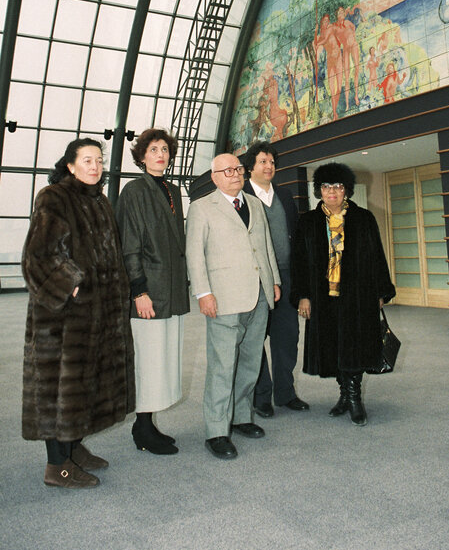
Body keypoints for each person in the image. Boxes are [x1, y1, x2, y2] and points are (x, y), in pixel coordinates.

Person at [21, 138, 135, 488]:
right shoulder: (54, 197)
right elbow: (38, 255)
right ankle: (57, 466)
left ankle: (73, 446)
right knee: (61, 391)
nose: (95, 166)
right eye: (87, 160)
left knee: (86, 386)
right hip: (63, 320)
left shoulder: (99, 201)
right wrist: (72, 285)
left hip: (98, 317)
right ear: (70, 165)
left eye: (99, 160)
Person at [185, 153, 281, 460]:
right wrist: (203, 293)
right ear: (214, 177)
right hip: (223, 298)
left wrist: (274, 281)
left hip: (259, 294)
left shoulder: (253, 204)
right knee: (222, 366)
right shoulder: (202, 208)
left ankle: (241, 416)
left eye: (238, 168)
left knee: (251, 362)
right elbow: (195, 255)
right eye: (227, 171)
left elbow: (265, 246)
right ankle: (216, 430)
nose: (235, 174)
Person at [290, 162, 395, 425]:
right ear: (319, 190)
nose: (332, 191)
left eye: (337, 186)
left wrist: (382, 291)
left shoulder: (363, 219)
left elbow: (377, 257)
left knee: (355, 345)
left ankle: (354, 398)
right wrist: (303, 295)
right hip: (322, 297)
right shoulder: (308, 222)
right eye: (326, 186)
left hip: (358, 296)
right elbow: (299, 263)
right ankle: (343, 395)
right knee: (333, 347)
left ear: (346, 189)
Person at [116, 128, 190, 455]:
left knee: (163, 357)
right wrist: (138, 290)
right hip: (148, 291)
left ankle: (148, 424)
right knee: (148, 359)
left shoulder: (172, 189)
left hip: (171, 288)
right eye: (153, 149)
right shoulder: (134, 191)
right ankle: (142, 427)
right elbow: (128, 245)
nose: (160, 154)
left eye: (164, 149)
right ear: (142, 156)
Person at [243, 141, 308, 418]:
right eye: (262, 162)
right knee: (255, 340)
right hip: (255, 282)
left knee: (287, 338)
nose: (269, 167)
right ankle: (261, 396)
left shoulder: (285, 195)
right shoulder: (241, 196)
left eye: (271, 162)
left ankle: (285, 393)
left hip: (287, 278)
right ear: (250, 168)